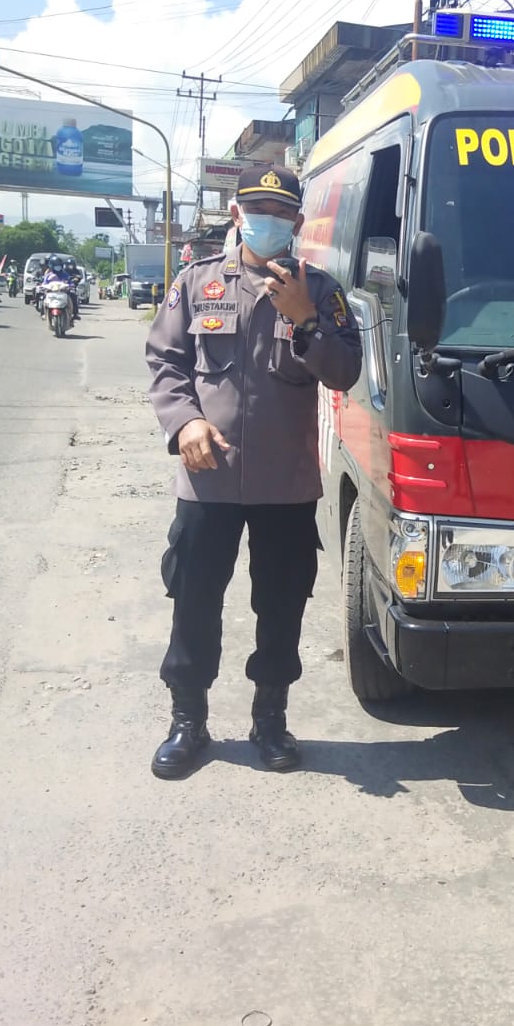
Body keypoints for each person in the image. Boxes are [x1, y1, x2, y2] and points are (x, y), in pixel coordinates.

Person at [145, 163, 361, 779]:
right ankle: (188, 721)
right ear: (238, 214)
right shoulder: (197, 282)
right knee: (193, 598)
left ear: (297, 221)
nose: (268, 220)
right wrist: (185, 422)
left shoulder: (318, 290)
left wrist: (306, 319)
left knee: (282, 603)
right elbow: (166, 361)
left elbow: (345, 372)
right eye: (257, 210)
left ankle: (270, 719)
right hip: (207, 477)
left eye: (281, 212)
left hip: (286, 483)